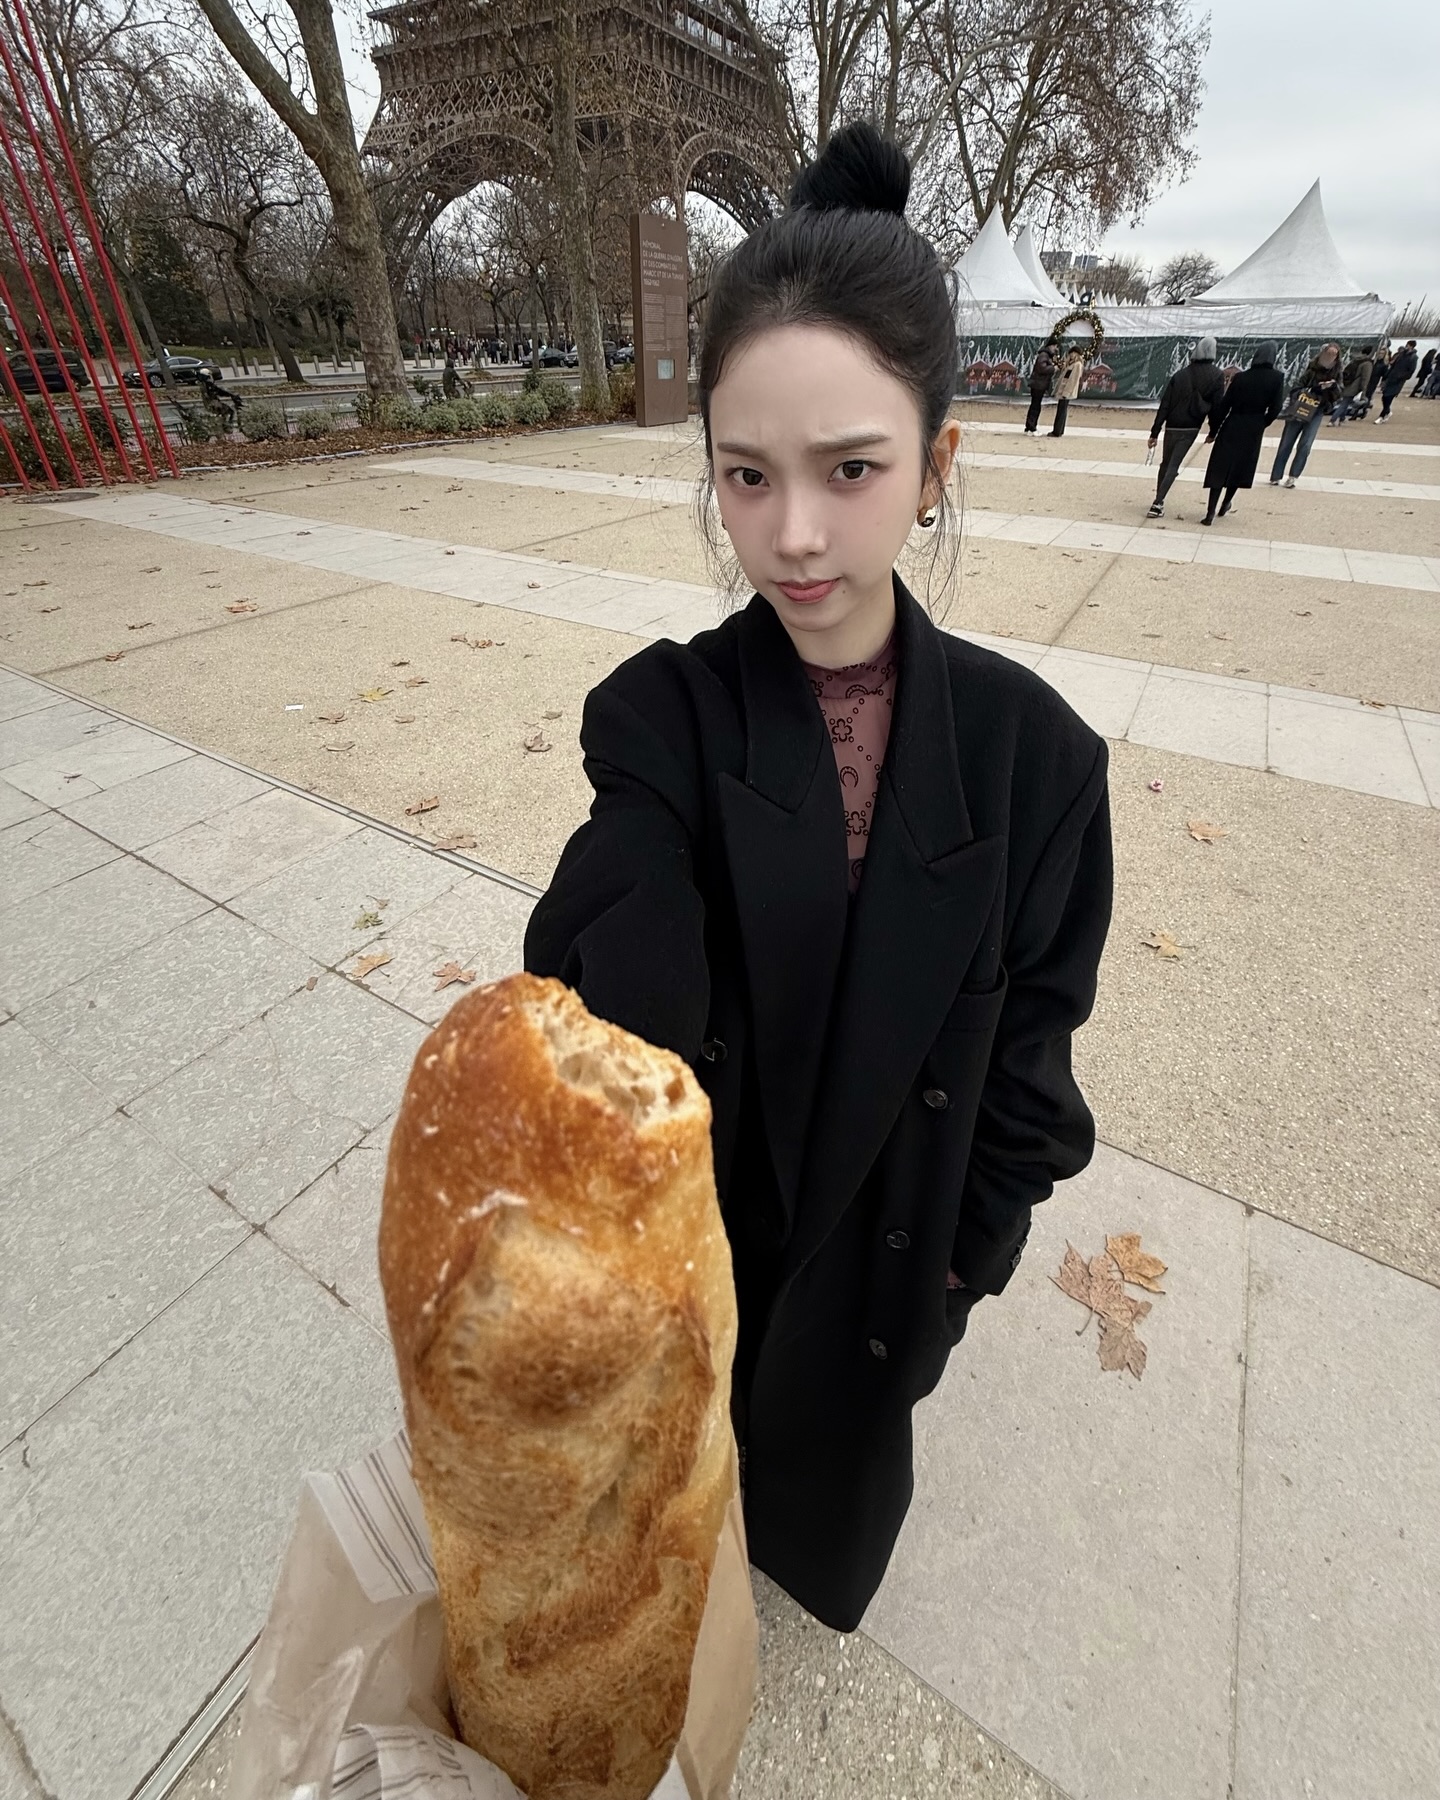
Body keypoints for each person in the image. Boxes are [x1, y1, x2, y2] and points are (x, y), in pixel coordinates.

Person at [523, 121, 1113, 1634]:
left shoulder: (1040, 765)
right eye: (746, 475)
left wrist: (950, 1285)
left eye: (851, 469)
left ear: (936, 466)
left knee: (788, 1537)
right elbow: (597, 963)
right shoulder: (660, 716)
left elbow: (1029, 1084)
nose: (791, 536)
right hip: (693, 1292)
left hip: (870, 1318)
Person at [1200, 341, 1286, 524]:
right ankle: (1226, 503)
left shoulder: (1241, 377)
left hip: (1233, 422)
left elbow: (1224, 405)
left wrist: (1214, 430)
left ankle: (1210, 512)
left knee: (1220, 467)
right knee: (1240, 468)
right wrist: (1263, 422)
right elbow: (1276, 407)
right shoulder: (1277, 378)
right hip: (1254, 425)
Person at [1145, 336, 1224, 518]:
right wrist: (1214, 430)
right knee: (1174, 464)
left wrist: (1155, 431)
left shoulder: (1180, 375)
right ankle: (1158, 501)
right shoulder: (1217, 375)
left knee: (1166, 463)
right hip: (1191, 425)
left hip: (1172, 424)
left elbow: (1165, 404)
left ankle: (1159, 498)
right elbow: (1217, 406)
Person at [1270, 345, 1343, 486]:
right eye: (1328, 353)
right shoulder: (1311, 369)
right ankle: (1276, 475)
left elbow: (1339, 395)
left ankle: (1293, 475)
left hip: (1318, 410)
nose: (1330, 357)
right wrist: (1315, 388)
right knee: (1286, 443)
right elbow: (1296, 387)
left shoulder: (1337, 373)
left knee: (1306, 444)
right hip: (1301, 407)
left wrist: (1332, 387)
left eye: (1333, 354)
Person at [1048, 344, 1084, 436]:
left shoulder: (1077, 365)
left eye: (1073, 353)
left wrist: (1066, 392)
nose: (1071, 355)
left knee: (1061, 411)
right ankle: (1059, 430)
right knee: (1061, 410)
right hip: (1063, 390)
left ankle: (1057, 431)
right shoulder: (1070, 364)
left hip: (1066, 392)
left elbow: (1072, 380)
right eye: (1071, 353)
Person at [1377, 340, 1418, 422]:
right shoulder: (1402, 354)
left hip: (1398, 380)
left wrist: (1402, 377)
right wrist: (1387, 375)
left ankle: (1382, 416)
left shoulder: (1413, 357)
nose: (1406, 346)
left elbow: (1411, 370)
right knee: (1384, 396)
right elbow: (1394, 365)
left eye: (1408, 345)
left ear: (1411, 346)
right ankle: (1387, 411)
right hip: (1391, 377)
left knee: (1389, 397)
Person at [1331, 346, 1373, 425]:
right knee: (1344, 403)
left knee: (1346, 402)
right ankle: (1333, 419)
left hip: (1347, 383)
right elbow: (1365, 378)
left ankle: (1342, 419)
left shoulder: (1355, 360)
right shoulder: (1367, 363)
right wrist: (1363, 391)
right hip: (1355, 387)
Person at [1023, 344, 1055, 433]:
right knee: (1035, 406)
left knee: (1035, 405)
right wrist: (1053, 368)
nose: (1055, 349)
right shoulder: (1044, 355)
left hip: (1039, 384)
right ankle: (1031, 427)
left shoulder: (1045, 355)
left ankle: (1030, 426)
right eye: (1054, 346)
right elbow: (1042, 368)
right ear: (1050, 346)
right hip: (1038, 384)